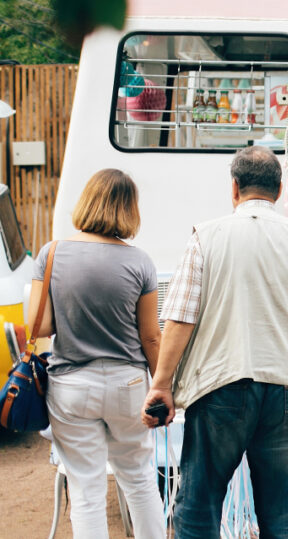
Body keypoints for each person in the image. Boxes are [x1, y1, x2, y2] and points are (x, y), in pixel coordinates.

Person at [143, 145, 288, 538]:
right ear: (279, 189)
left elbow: (180, 320)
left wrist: (161, 385)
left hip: (220, 389)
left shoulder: (205, 237)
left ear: (234, 188)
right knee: (285, 515)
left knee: (199, 508)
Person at [30, 168, 165, 538]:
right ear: (129, 210)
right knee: (139, 479)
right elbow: (151, 337)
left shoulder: (52, 253)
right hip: (129, 383)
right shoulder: (140, 262)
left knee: (86, 489)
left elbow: (38, 327)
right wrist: (165, 387)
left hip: (72, 384)